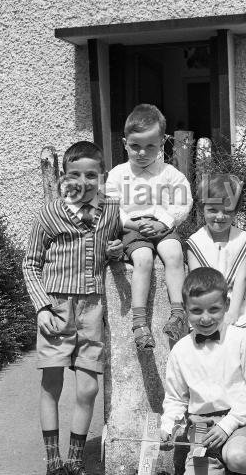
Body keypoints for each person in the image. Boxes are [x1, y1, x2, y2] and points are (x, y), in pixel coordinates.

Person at [22, 141, 123, 475]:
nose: (84, 182)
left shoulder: (111, 209)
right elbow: (30, 263)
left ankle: (76, 461)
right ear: (65, 177)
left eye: (91, 175)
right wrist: (42, 308)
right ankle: (53, 461)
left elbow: (115, 248)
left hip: (92, 309)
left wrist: (117, 249)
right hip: (57, 307)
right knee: (52, 384)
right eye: (75, 174)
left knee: (89, 387)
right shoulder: (50, 212)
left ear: (102, 176)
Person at [160, 267, 246, 475]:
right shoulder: (180, 350)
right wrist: (168, 428)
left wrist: (227, 425)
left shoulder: (241, 339)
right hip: (201, 430)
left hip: (238, 423)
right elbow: (175, 399)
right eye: (197, 311)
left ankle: (240, 466)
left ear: (226, 305)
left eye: (214, 309)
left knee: (238, 458)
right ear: (185, 308)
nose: (206, 318)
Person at [106, 104, 193, 351]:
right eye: (135, 146)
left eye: (150, 146)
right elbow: (111, 205)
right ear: (125, 143)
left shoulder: (170, 173)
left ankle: (177, 313)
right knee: (143, 259)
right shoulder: (117, 174)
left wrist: (164, 221)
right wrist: (130, 222)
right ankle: (139, 323)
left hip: (162, 225)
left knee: (175, 254)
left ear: (162, 145)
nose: (142, 152)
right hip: (132, 228)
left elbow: (183, 201)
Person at [185, 173, 246, 342]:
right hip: (206, 303)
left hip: (236, 301)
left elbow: (241, 278)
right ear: (202, 208)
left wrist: (232, 312)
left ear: (236, 211)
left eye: (227, 210)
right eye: (212, 210)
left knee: (239, 334)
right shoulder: (195, 242)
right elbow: (197, 283)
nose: (219, 216)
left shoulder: (243, 239)